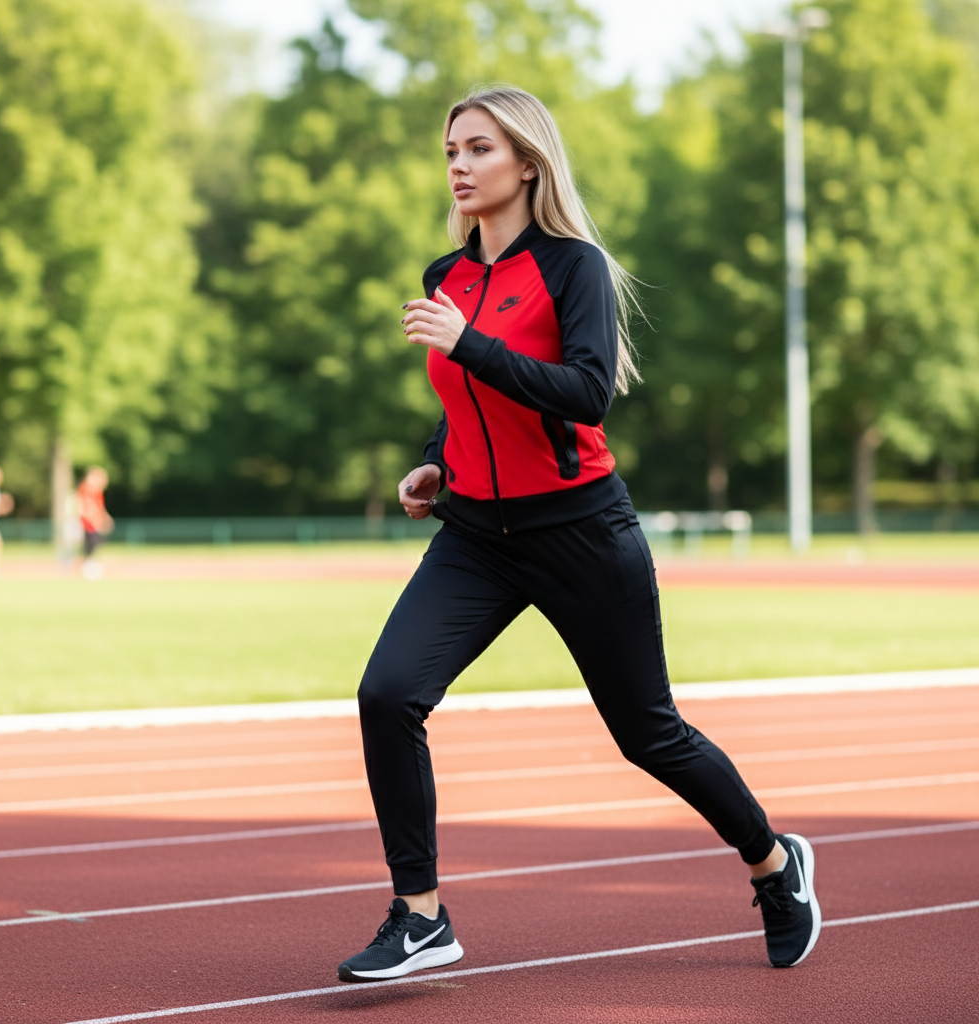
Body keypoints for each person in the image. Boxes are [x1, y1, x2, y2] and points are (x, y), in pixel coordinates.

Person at [337, 86, 820, 984]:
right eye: (451, 150)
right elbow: (472, 406)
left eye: (478, 148)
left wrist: (469, 341)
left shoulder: (574, 267)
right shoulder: (447, 276)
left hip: (581, 532)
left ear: (527, 161)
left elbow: (586, 393)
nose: (459, 165)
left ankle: (772, 862)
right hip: (478, 533)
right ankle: (421, 916)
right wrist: (435, 462)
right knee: (387, 693)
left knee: (649, 734)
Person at [76, 466, 114, 580]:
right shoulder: (85, 489)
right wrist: (90, 517)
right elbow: (83, 506)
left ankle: (88, 565)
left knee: (94, 543)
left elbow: (99, 508)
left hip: (94, 522)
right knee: (89, 545)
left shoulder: (97, 492)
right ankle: (84, 567)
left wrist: (105, 518)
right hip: (87, 523)